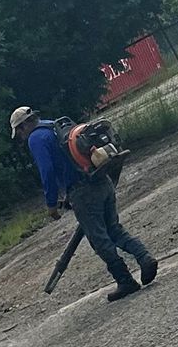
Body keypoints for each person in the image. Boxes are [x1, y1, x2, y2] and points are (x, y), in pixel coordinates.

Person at [11, 104, 157, 302]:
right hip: (100, 177)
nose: (21, 137)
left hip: (82, 191)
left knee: (99, 239)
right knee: (114, 229)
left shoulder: (35, 139)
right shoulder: (55, 125)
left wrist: (51, 204)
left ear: (22, 127)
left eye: (19, 133)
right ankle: (144, 257)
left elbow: (47, 172)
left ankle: (125, 281)